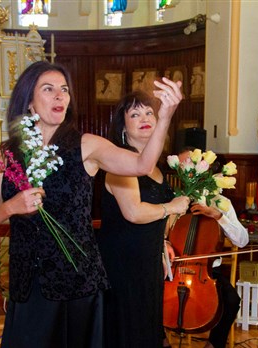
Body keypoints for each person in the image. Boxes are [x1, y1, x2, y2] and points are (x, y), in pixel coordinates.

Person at [0, 61, 182, 347]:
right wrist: (10, 207)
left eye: (64, 90)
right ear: (30, 101)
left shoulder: (87, 145)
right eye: (48, 89)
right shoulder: (7, 154)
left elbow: (141, 163)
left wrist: (167, 116)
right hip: (27, 284)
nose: (60, 96)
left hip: (77, 283)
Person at [96, 90, 190, 348]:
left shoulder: (158, 167)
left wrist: (163, 243)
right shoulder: (119, 165)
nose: (145, 118)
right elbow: (134, 212)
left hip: (147, 261)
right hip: (122, 264)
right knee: (128, 331)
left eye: (149, 112)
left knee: (148, 330)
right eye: (135, 114)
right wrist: (171, 207)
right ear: (123, 127)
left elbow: (157, 218)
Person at [169, 150, 249, 348]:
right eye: (181, 166)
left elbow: (243, 240)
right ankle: (161, 341)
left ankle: (213, 345)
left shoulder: (220, 202)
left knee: (231, 301)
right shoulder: (172, 199)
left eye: (188, 164)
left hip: (206, 271)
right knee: (149, 294)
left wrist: (217, 216)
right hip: (172, 267)